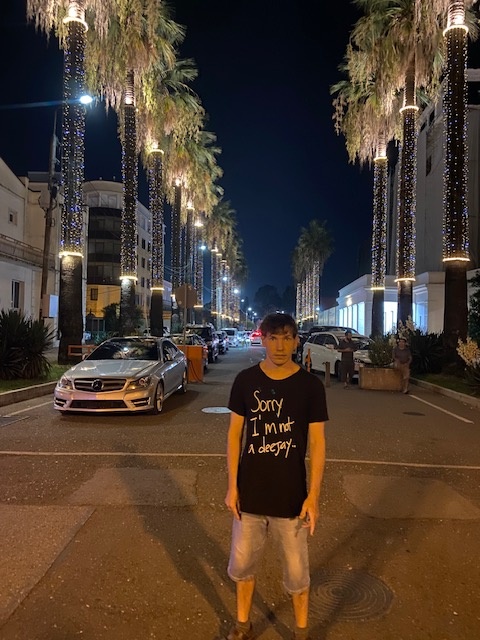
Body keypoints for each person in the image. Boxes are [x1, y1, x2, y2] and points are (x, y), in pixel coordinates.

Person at [224, 313, 328, 640]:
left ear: (296, 341)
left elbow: (318, 442)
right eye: (273, 338)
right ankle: (243, 625)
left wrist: (313, 496)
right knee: (243, 567)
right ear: (263, 339)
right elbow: (234, 435)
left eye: (286, 338)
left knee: (297, 574)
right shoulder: (245, 381)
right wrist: (232, 487)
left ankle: (301, 631)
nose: (280, 346)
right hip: (250, 495)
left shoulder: (310, 386)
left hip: (292, 497)